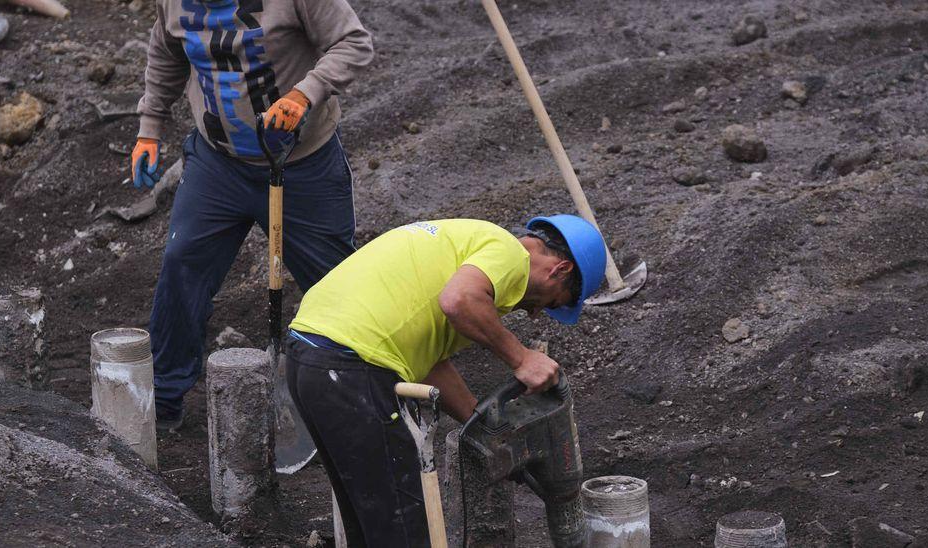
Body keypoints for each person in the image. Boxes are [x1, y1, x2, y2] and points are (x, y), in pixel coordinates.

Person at [284, 215, 607, 546]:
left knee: (372, 526)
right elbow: (459, 300)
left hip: (310, 359)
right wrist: (522, 358)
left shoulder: (466, 246)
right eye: (554, 302)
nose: (537, 313)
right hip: (351, 367)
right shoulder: (510, 254)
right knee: (404, 531)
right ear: (560, 270)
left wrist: (484, 431)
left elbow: (428, 362)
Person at [131, 0, 374, 429]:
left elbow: (354, 43)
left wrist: (306, 91)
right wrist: (149, 128)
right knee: (182, 263)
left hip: (302, 164)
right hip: (217, 162)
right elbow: (166, 51)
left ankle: (362, 397)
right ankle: (164, 397)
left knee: (334, 284)